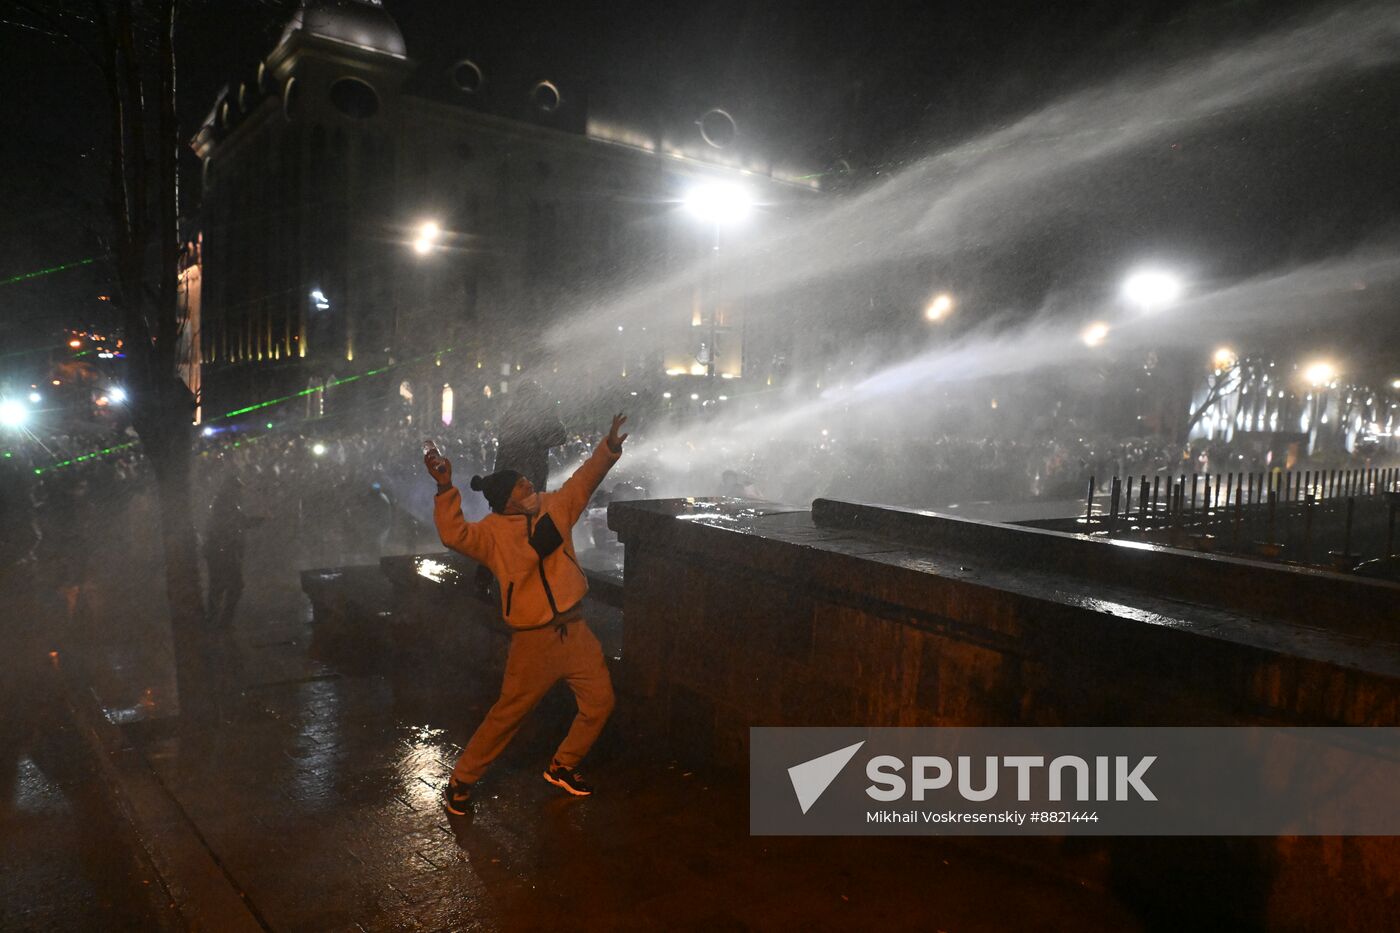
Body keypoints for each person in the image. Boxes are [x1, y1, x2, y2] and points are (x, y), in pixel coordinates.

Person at [426, 413, 628, 814]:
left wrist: (608, 449)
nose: (529, 484)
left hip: (576, 631)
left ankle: (563, 765)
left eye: (526, 481)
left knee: (600, 702)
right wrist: (445, 486)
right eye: (521, 484)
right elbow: (453, 534)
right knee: (507, 716)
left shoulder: (557, 507)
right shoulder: (491, 534)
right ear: (507, 500)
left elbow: (584, 480)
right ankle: (460, 781)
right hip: (533, 642)